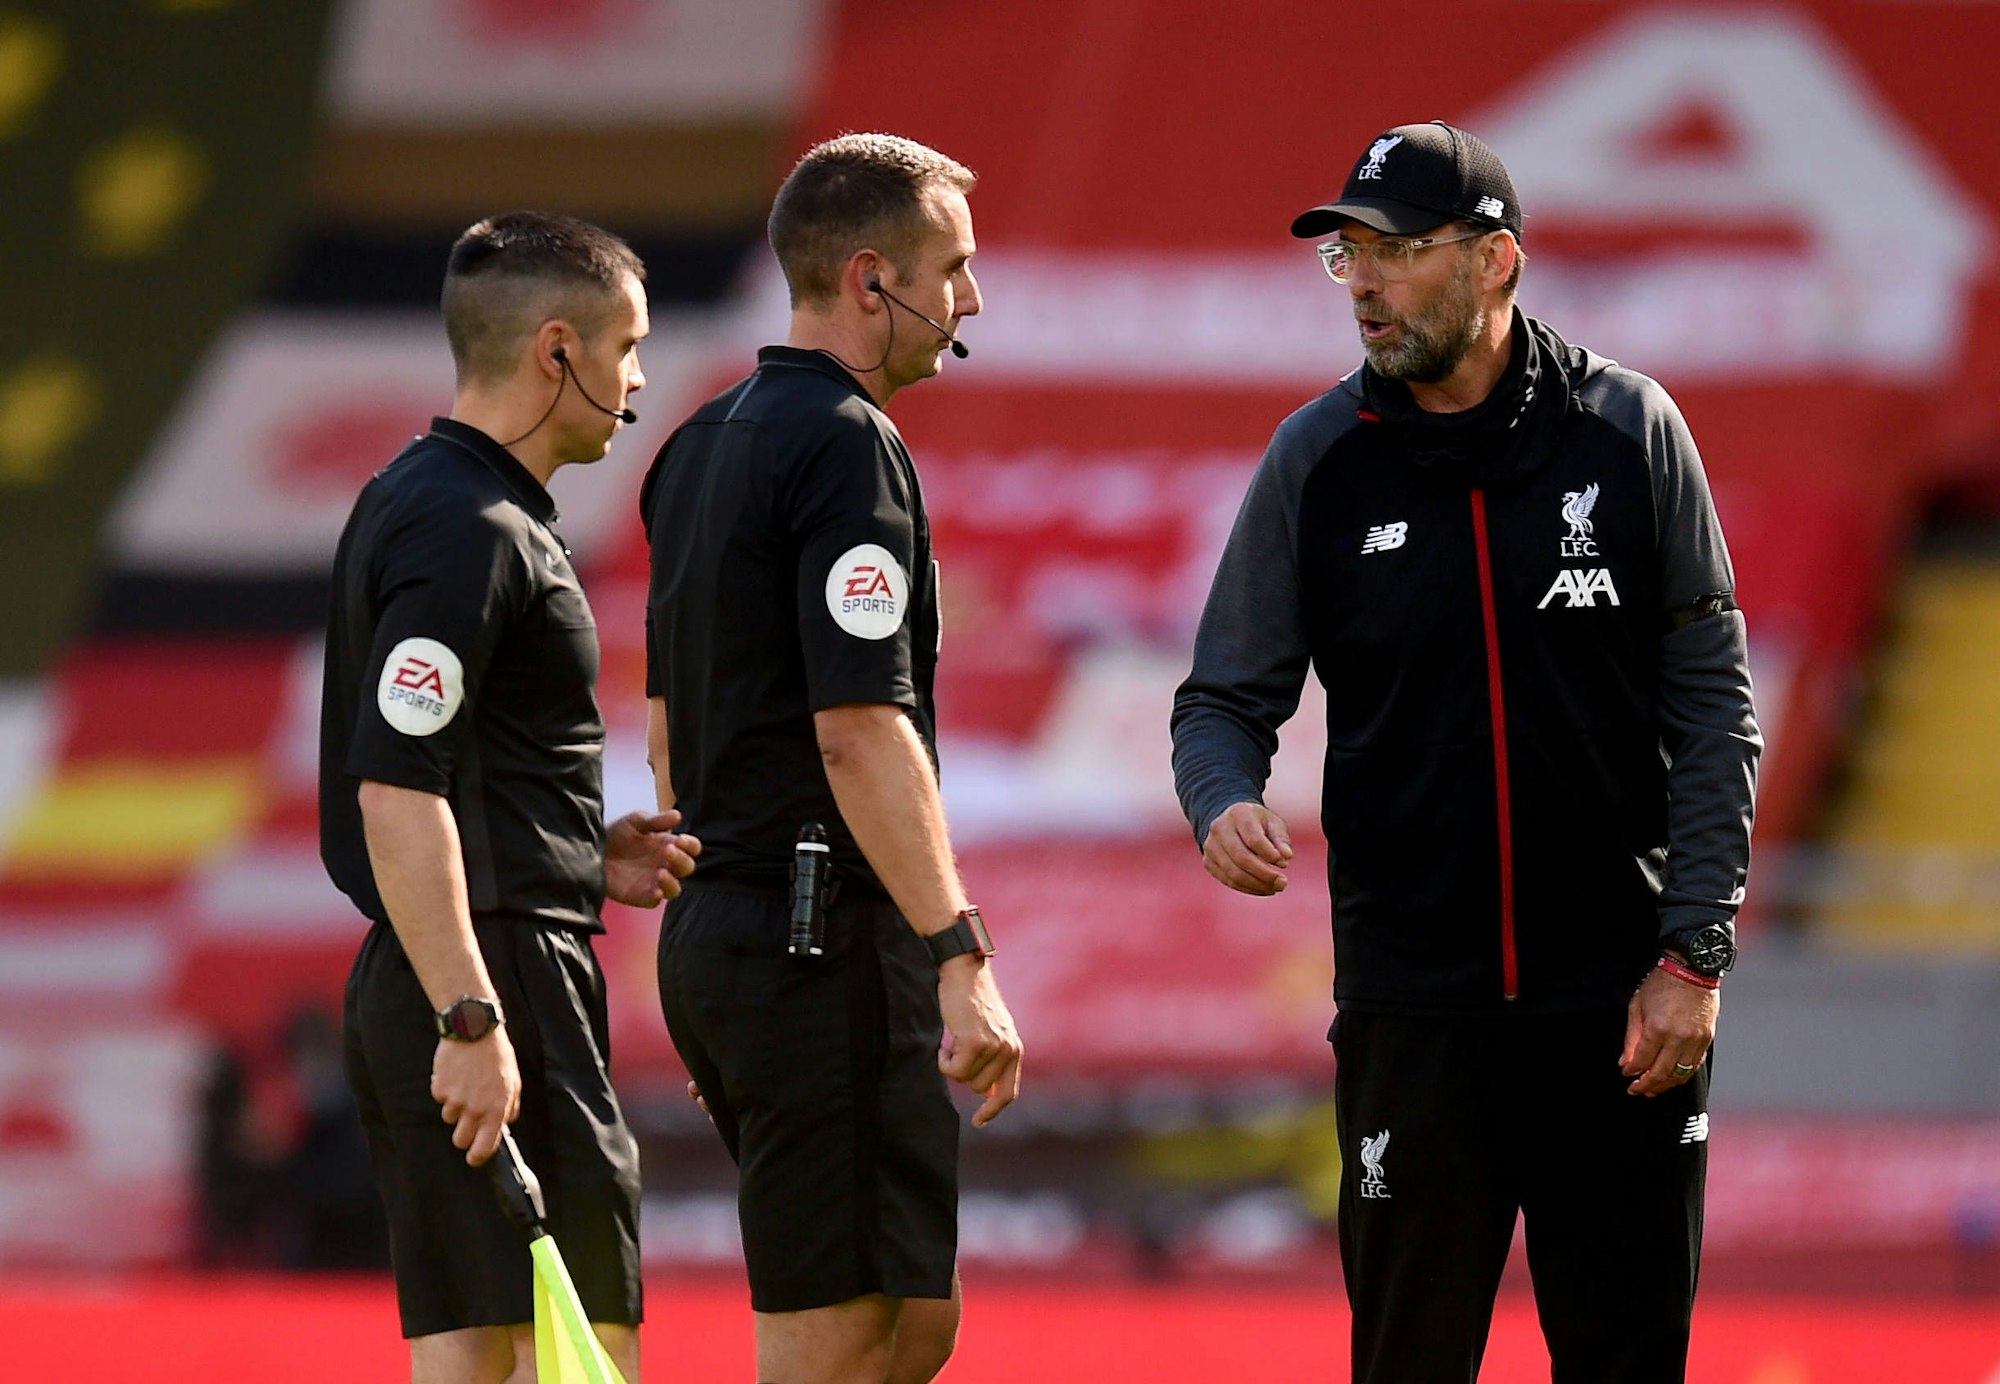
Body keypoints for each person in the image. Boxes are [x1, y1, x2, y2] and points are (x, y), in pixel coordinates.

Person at [1170, 121, 1761, 1382]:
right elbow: (1219, 700)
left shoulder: (1628, 432)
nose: (1362, 285)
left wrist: (1691, 955)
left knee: (1625, 1360)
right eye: (1345, 258)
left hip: (1616, 1009)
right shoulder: (1316, 462)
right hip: (1410, 1017)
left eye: (1391, 251)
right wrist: (1218, 798)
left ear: (1494, 261)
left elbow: (1713, 712)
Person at [639, 133, 1023, 1384]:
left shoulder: (698, 446)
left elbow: (665, 720)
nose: (967, 300)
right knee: (845, 1336)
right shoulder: (847, 445)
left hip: (743, 933)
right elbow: (858, 727)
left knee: (910, 1319)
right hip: (814, 939)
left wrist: (715, 962)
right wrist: (957, 949)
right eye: (951, 268)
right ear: (870, 279)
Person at [319, 210, 699, 1384]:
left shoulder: (425, 498)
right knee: (582, 1348)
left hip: (468, 952)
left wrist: (580, 854)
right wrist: (469, 1018)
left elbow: (453, 776)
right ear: (555, 350)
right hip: (491, 979)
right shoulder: (469, 526)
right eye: (625, 346)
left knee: (481, 1351)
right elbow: (397, 789)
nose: (637, 377)